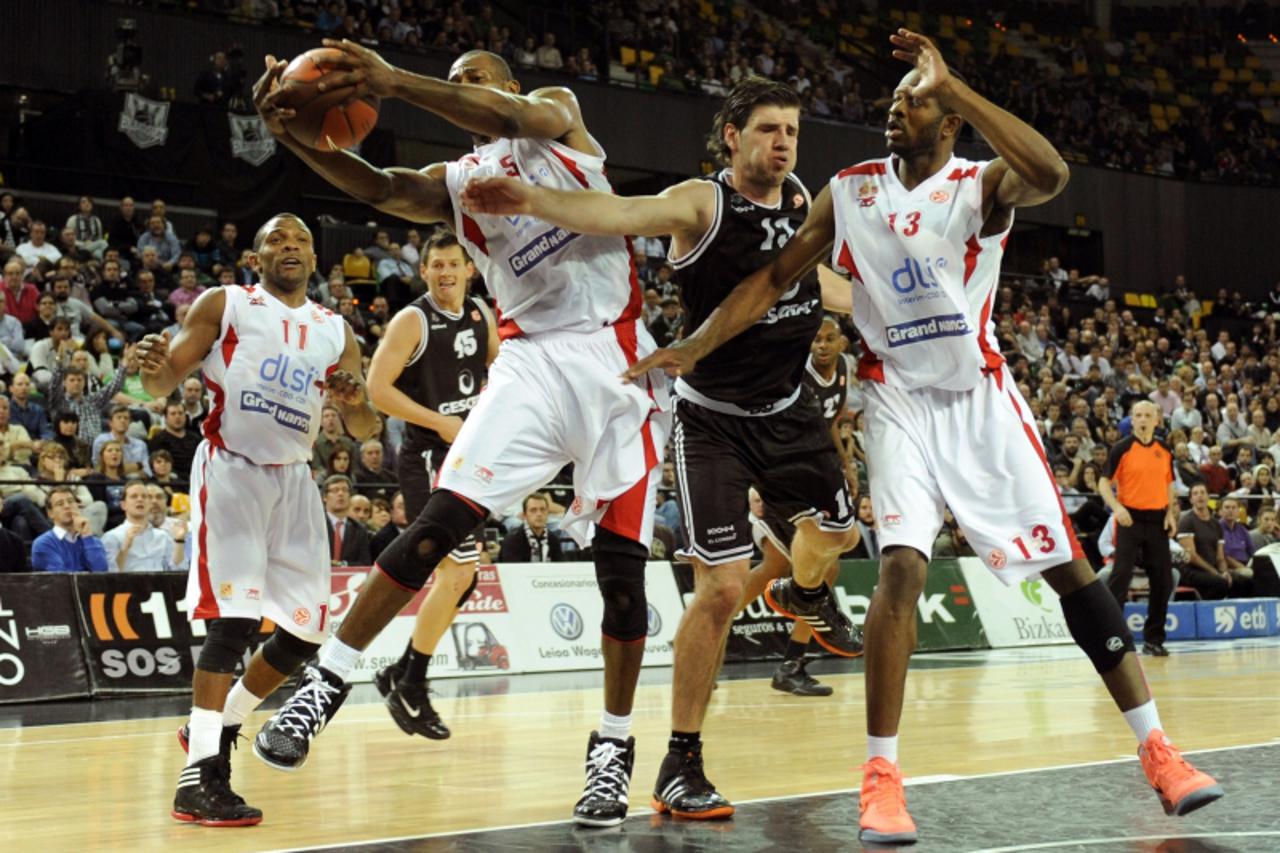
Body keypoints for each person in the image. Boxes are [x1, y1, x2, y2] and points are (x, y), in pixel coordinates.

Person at [621, 30, 1223, 843]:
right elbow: (772, 278)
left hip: (979, 399)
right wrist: (697, 343)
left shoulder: (981, 187)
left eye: (914, 102)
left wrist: (959, 86)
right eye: (893, 100)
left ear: (949, 124)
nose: (894, 110)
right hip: (895, 395)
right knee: (901, 564)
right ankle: (881, 774)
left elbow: (1053, 173)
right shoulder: (850, 189)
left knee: (1072, 569)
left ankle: (1158, 749)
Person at [251, 43, 671, 829]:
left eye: (474, 81)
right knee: (436, 525)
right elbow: (376, 185)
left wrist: (391, 81)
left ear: (508, 86)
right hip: (533, 364)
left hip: (618, 362)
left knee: (622, 577)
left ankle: (612, 747)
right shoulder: (457, 186)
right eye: (452, 85)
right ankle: (325, 684)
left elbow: (511, 115)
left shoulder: (556, 119)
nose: (463, 93)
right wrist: (295, 135)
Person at [462, 75, 861, 819]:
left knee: (839, 531)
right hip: (714, 419)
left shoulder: (803, 198)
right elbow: (617, 211)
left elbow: (815, 280)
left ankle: (804, 589)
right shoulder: (701, 203)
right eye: (769, 129)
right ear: (733, 136)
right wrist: (532, 200)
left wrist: (879, 304)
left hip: (793, 409)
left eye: (792, 131)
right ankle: (681, 761)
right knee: (718, 590)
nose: (783, 143)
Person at [135, 213, 379, 827]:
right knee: (232, 626)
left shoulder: (334, 329)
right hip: (233, 472)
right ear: (255, 254)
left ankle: (216, 727)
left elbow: (367, 427)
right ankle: (201, 780)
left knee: (304, 633)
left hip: (296, 481)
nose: (289, 246)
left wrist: (353, 405)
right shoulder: (228, 304)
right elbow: (162, 381)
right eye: (276, 238)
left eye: (299, 239)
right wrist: (148, 370)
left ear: (314, 259)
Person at [363, 229, 498, 740]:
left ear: (470, 270)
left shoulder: (482, 314)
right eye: (435, 265)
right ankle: (411, 682)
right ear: (423, 272)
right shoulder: (411, 319)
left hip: (468, 454)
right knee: (458, 572)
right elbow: (378, 390)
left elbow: (500, 371)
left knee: (464, 580)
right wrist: (439, 422)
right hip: (426, 455)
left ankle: (401, 673)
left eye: (452, 264)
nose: (444, 273)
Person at [1097, 401, 1178, 655]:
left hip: (1157, 520)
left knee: (1163, 580)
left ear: (1157, 420)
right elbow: (1103, 482)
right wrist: (1117, 508)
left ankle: (1154, 639)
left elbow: (1169, 484)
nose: (1143, 419)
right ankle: (1111, 638)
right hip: (1129, 518)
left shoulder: (1164, 449)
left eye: (1148, 415)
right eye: (1138, 415)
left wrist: (1170, 513)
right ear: (1132, 420)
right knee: (1120, 576)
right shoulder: (1122, 448)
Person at [1177, 484, 1250, 599]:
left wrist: (1224, 571)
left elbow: (1220, 557)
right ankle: (1205, 611)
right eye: (1195, 494)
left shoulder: (1216, 524)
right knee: (1220, 583)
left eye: (1203, 492)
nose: (1199, 496)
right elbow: (1191, 556)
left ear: (1208, 497)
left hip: (1211, 570)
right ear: (1191, 500)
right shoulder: (1186, 521)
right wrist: (1215, 573)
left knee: (1243, 582)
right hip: (1191, 571)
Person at [102, 480, 184, 572]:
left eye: (144, 496)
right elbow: (110, 574)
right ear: (123, 505)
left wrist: (179, 541)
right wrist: (125, 547)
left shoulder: (163, 536)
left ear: (149, 504)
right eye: (134, 496)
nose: (140, 499)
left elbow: (177, 569)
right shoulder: (111, 537)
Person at [31, 487, 109, 573]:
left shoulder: (92, 541)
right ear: (50, 513)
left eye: (71, 501)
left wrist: (86, 536)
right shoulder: (44, 543)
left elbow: (101, 572)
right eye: (60, 504)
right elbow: (62, 579)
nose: (67, 506)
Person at [497, 492, 565, 562]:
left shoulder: (553, 540)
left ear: (548, 513)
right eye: (533, 510)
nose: (539, 514)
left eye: (542, 509)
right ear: (524, 515)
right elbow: (511, 571)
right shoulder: (513, 540)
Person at [324, 474, 372, 566]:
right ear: (325, 497)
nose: (340, 494)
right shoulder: (314, 526)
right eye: (335, 490)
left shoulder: (359, 530)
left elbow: (365, 563)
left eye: (345, 490)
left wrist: (342, 565)